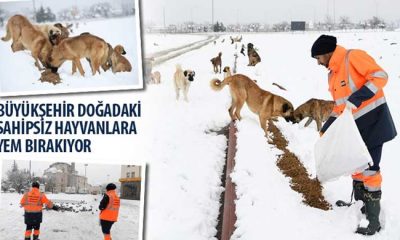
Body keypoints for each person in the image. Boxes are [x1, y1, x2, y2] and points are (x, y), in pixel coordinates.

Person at [311, 35, 397, 235]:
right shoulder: (332, 75)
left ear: (327, 53)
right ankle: (360, 206)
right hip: (355, 129)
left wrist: (358, 97)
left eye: (318, 58)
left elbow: (380, 76)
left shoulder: (353, 57)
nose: (318, 62)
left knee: (370, 171)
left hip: (375, 123)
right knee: (357, 167)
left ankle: (373, 220)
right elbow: (340, 106)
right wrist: (328, 126)